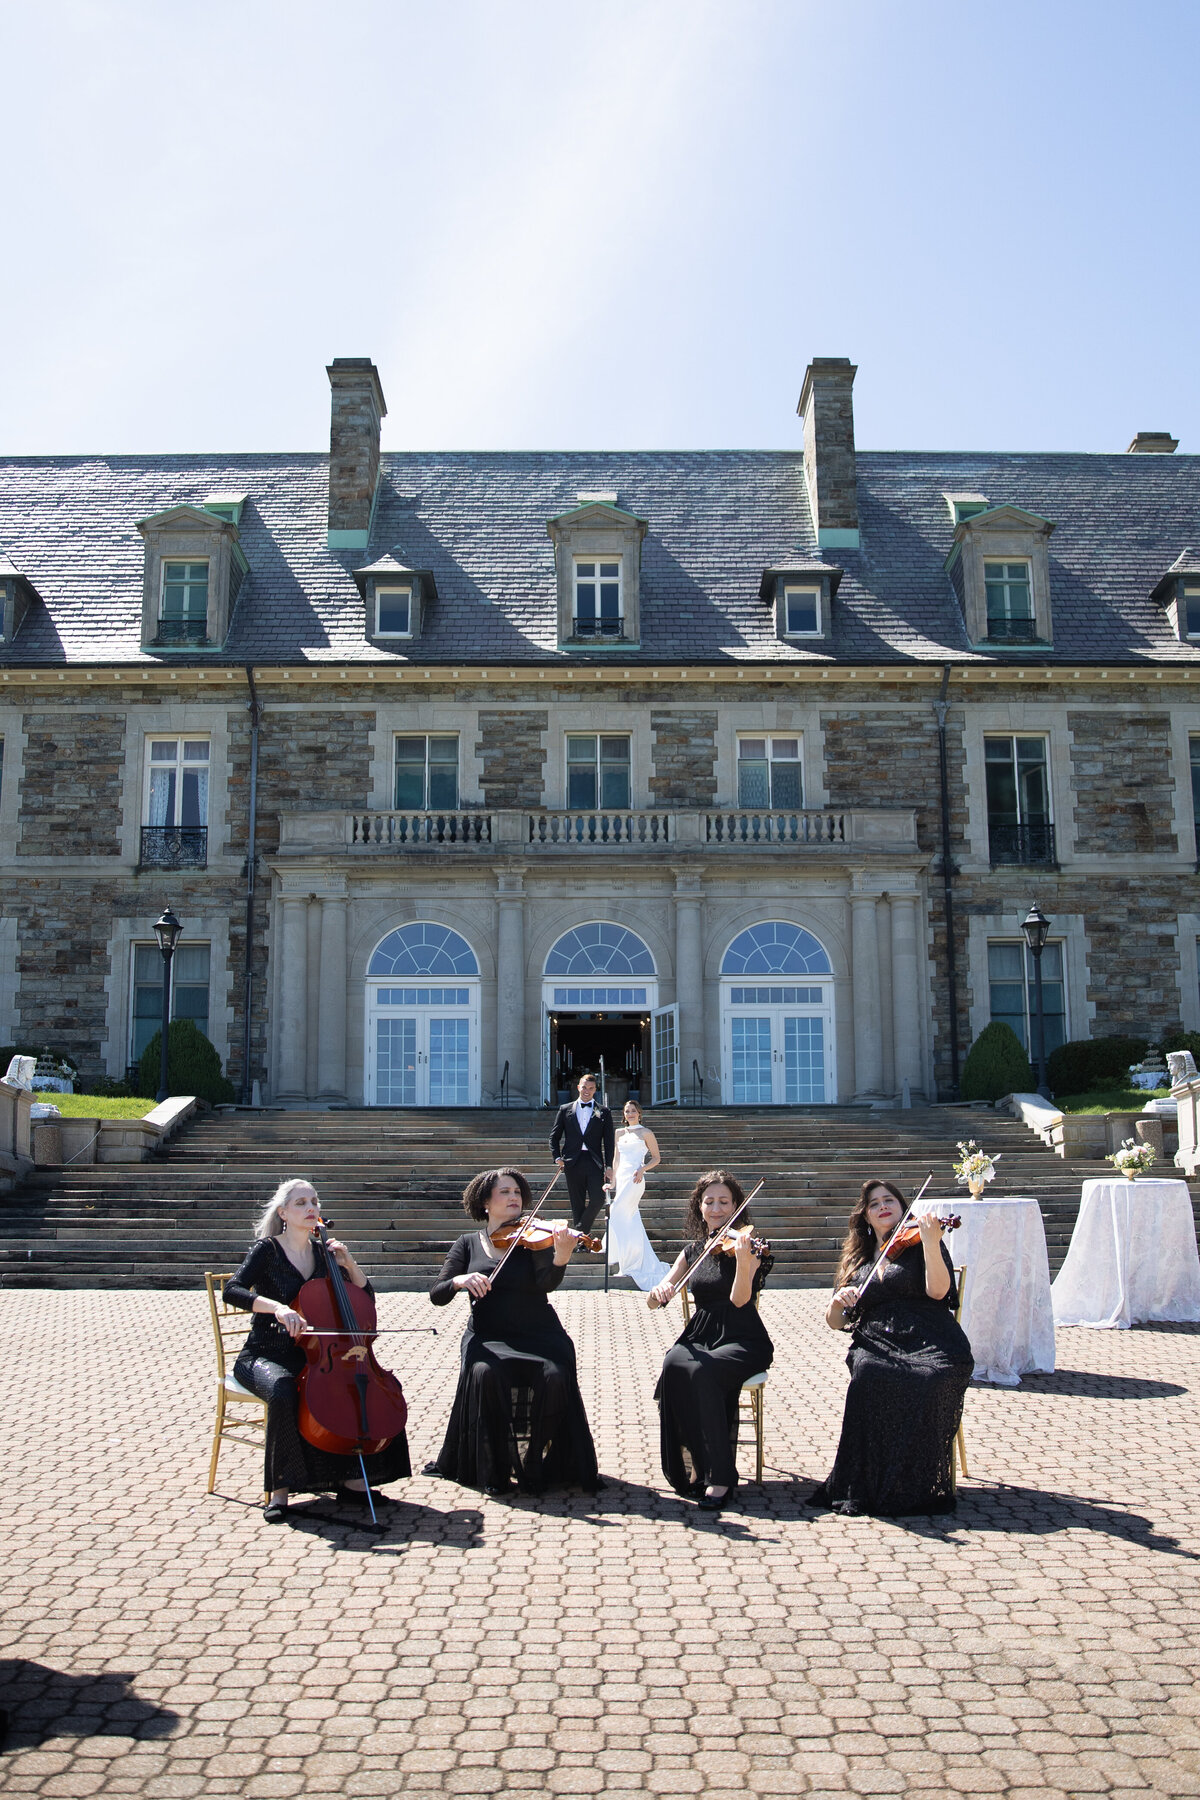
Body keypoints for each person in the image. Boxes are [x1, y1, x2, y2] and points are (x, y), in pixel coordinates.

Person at [226, 1178, 411, 1523]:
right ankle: (279, 1492)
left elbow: (364, 1301)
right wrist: (278, 1308)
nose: (311, 1208)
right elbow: (233, 1291)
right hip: (264, 1354)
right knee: (283, 1389)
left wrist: (350, 1263)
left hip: (314, 1356)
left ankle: (353, 1482)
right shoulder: (267, 1250)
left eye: (314, 1201)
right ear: (283, 1212)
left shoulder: (325, 1254)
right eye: (300, 1203)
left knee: (367, 1387)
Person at [427, 1167, 600, 1497]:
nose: (514, 1198)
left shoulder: (532, 1239)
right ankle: (496, 1465)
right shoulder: (467, 1244)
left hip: (539, 1333)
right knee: (485, 1375)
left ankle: (534, 1458)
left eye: (517, 1193)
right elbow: (437, 1294)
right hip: (489, 1337)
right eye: (505, 1192)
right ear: (485, 1203)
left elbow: (546, 1283)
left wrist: (562, 1256)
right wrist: (459, 1281)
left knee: (555, 1376)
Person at [808, 1179, 974, 1517]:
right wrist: (838, 1302)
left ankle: (910, 1480)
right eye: (874, 1204)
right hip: (879, 1340)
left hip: (931, 1337)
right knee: (869, 1372)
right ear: (866, 1217)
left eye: (890, 1200)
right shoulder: (858, 1258)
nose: (883, 1206)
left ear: (902, 1207)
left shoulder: (921, 1241)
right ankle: (868, 1481)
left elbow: (940, 1292)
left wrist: (930, 1242)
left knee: (928, 1379)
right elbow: (836, 1321)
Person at [648, 1170, 773, 1511]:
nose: (716, 1208)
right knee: (674, 1363)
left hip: (742, 1336)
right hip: (701, 1334)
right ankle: (691, 1468)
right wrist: (661, 1290)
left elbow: (737, 1301)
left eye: (724, 1202)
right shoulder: (692, 1251)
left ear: (736, 1207)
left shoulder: (749, 1247)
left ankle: (720, 1476)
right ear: (699, 1207)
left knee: (703, 1373)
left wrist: (746, 1264)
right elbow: (656, 1300)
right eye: (709, 1202)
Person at [607, 1099, 670, 1291]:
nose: (630, 1114)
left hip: (636, 1178)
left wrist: (643, 1169)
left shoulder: (646, 1133)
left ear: (639, 1113)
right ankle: (629, 1262)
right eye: (627, 1111)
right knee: (627, 1218)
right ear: (624, 1114)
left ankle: (630, 1263)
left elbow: (657, 1158)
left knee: (618, 1212)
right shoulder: (619, 1133)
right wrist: (612, 1182)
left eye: (633, 1110)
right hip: (622, 1177)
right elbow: (616, 1160)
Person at [549, 1072, 615, 1233]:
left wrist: (609, 1165)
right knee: (577, 1203)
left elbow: (608, 1141)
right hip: (572, 1162)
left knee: (598, 1199)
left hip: (594, 1161)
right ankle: (581, 1242)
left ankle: (578, 1231)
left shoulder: (604, 1111)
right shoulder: (565, 1109)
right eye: (584, 1087)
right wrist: (557, 1156)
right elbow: (554, 1136)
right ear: (578, 1087)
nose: (587, 1090)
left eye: (591, 1088)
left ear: (595, 1090)